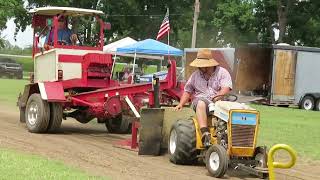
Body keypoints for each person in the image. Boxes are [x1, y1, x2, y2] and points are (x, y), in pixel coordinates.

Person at [174, 48, 232, 147]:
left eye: (202, 65)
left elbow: (226, 88)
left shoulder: (222, 72)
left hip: (218, 102)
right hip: (200, 102)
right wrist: (181, 104)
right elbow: (188, 91)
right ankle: (205, 133)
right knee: (201, 102)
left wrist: (217, 97)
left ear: (209, 64)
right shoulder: (195, 76)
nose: (200, 67)